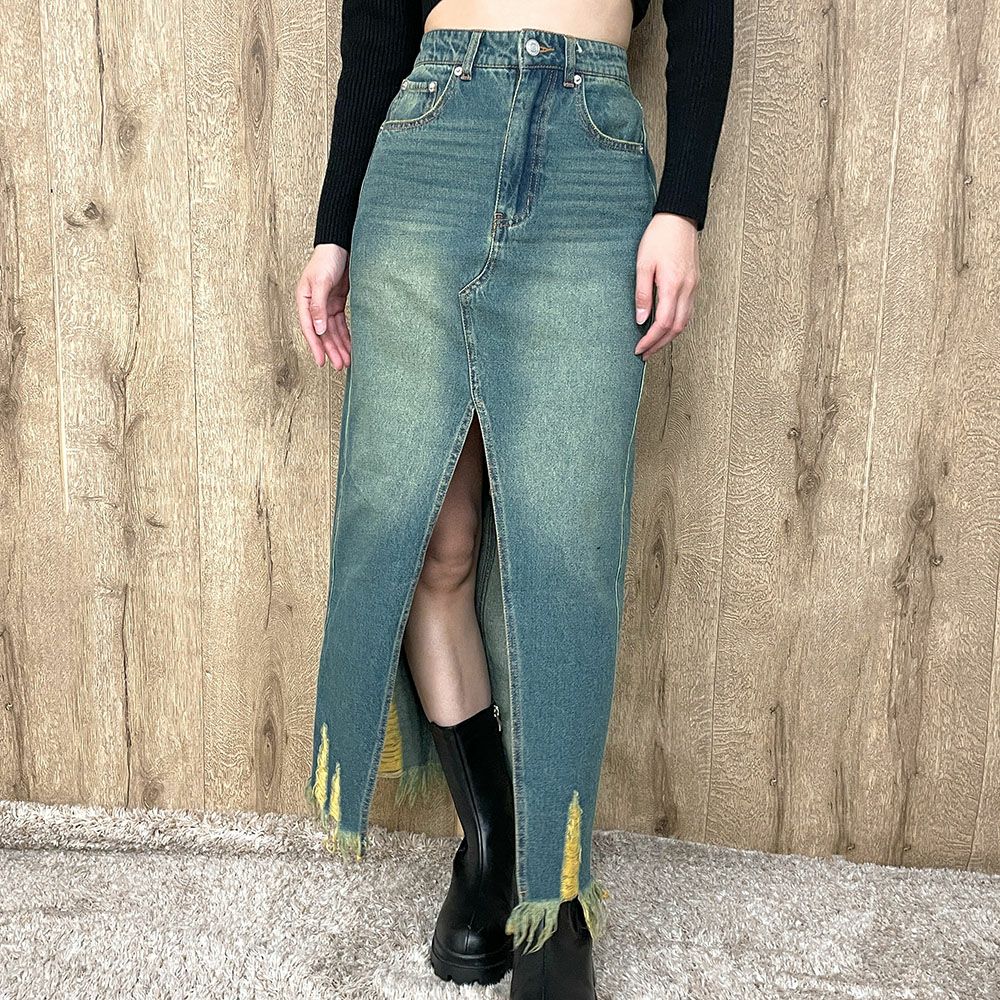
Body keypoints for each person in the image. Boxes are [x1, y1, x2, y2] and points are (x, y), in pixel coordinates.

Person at [295, 2, 732, 997]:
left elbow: (705, 17)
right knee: (425, 541)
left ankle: (555, 896)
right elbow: (375, 34)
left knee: (565, 566)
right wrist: (332, 231)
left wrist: (683, 206)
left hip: (591, 159)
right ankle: (492, 845)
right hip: (429, 140)